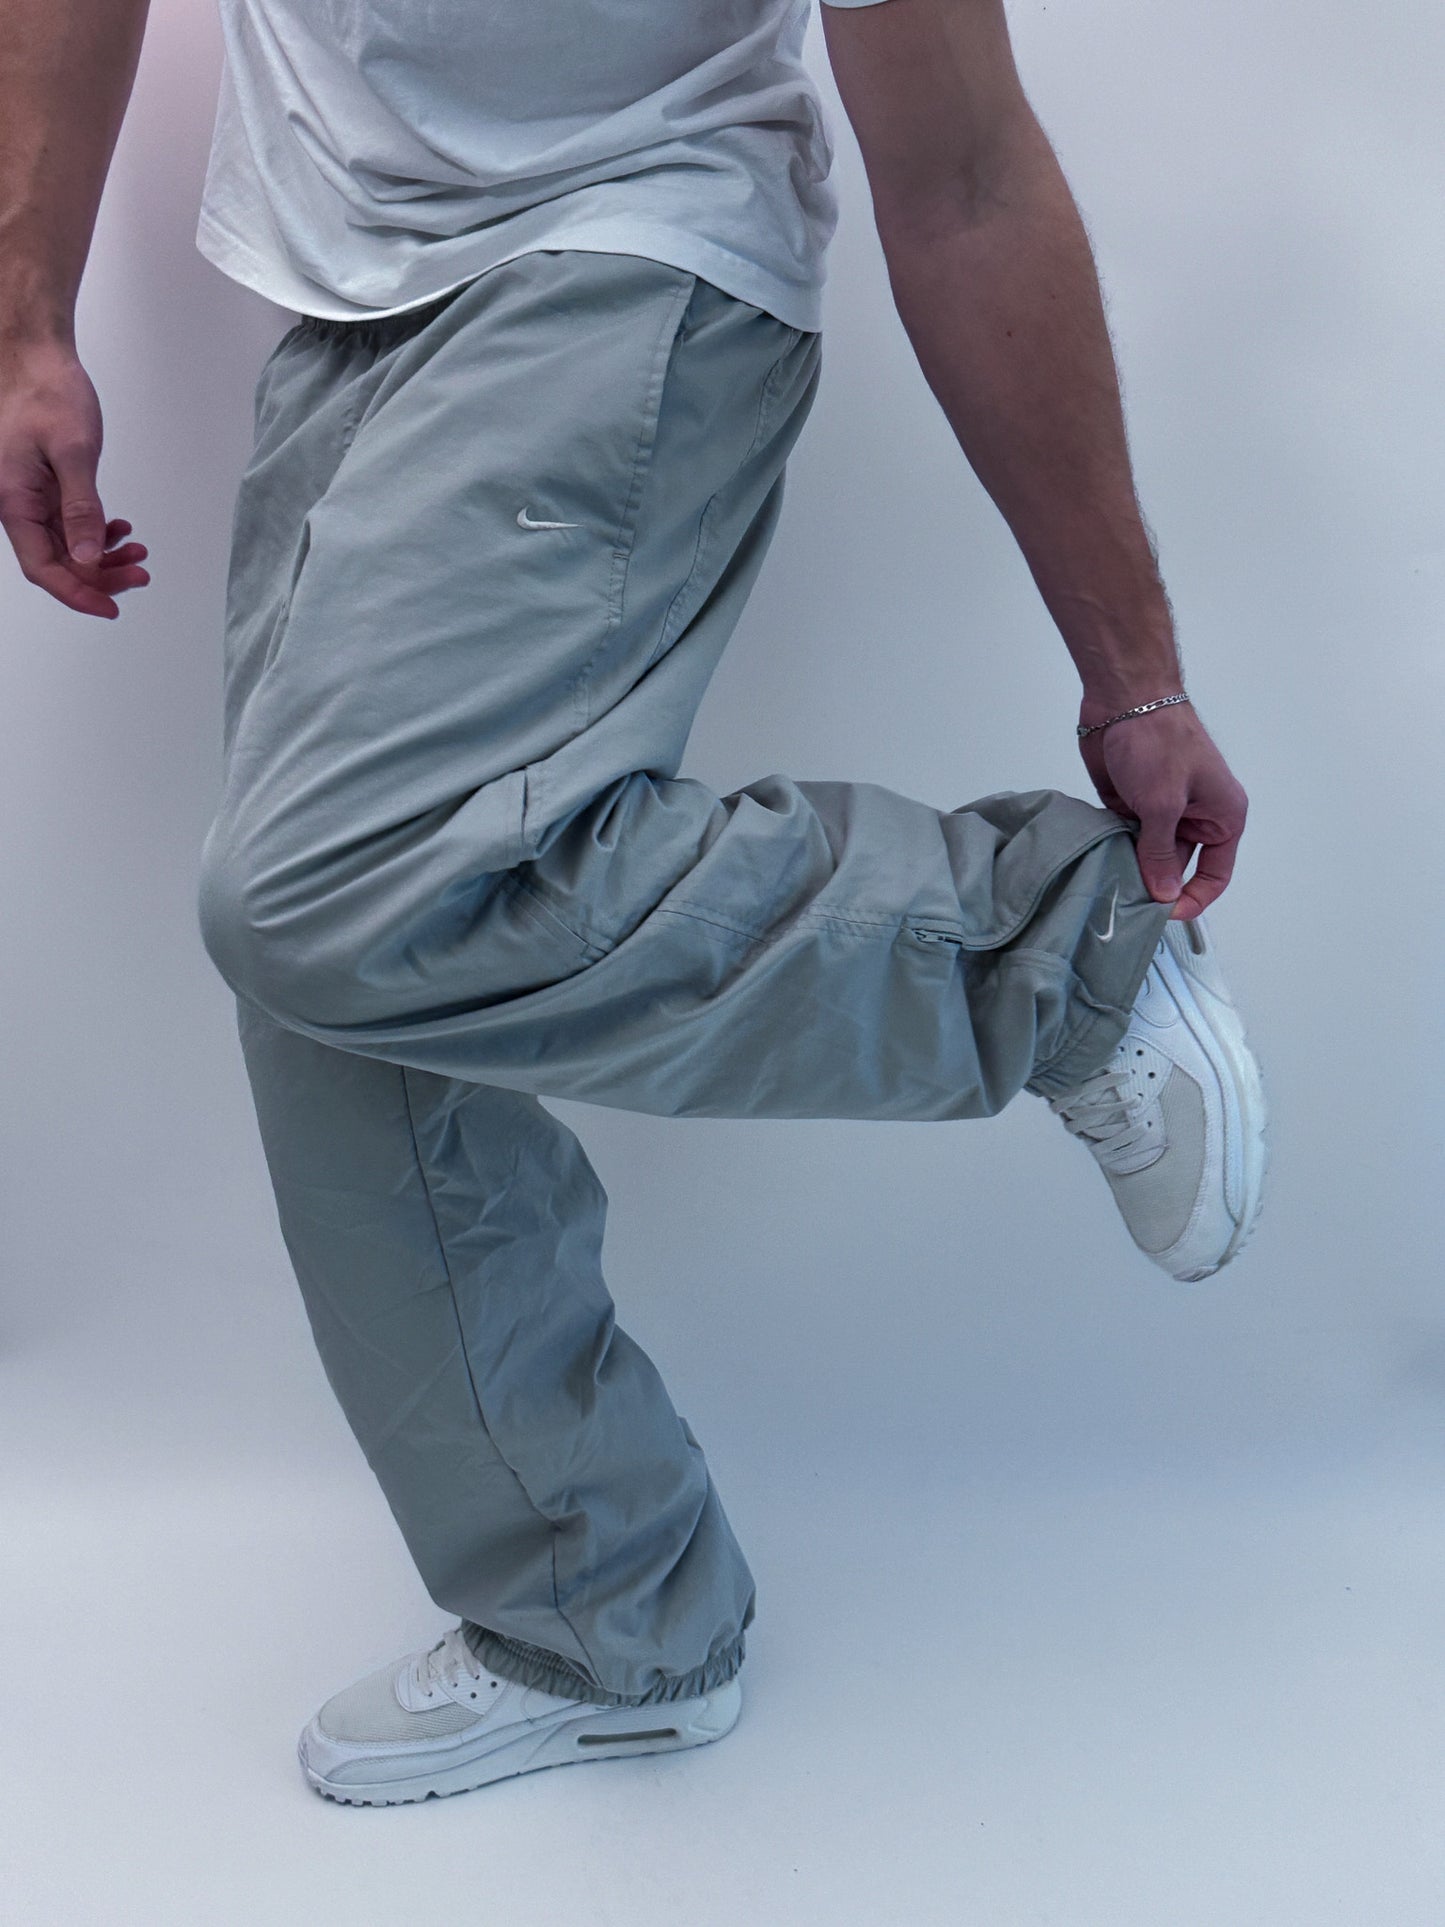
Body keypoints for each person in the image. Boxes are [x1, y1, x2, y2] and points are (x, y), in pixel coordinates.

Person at [1, 0, 1268, 1808]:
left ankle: (1061, 951)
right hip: (343, 288)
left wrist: (1132, 676)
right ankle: (603, 1618)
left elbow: (966, 171)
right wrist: (25, 311)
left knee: (341, 885)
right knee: (351, 982)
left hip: (621, 246)